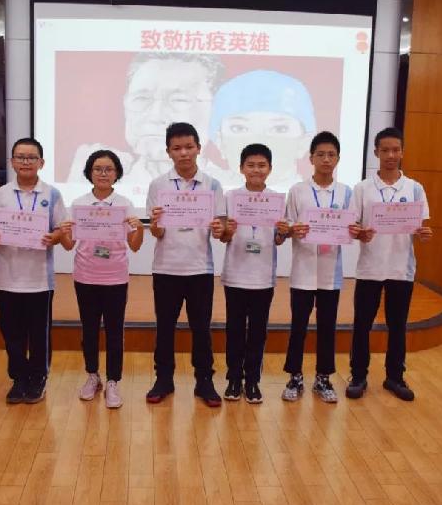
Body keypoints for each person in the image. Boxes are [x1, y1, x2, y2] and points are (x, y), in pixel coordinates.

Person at [67, 53, 225, 202]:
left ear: (215, 110)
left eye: (179, 100)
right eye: (141, 99)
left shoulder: (226, 186)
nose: (155, 116)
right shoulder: (96, 178)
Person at [347, 127, 432, 401]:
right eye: (385, 150)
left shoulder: (415, 188)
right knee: (362, 324)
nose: (391, 155)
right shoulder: (362, 188)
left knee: (398, 325)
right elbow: (351, 227)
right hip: (370, 268)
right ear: (376, 153)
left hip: (400, 268)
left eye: (396, 150)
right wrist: (360, 233)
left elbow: (420, 226)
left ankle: (395, 377)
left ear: (402, 152)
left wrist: (423, 233)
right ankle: (358, 376)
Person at [145, 122, 226, 407]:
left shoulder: (212, 185)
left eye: (189, 147)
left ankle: (204, 381)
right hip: (166, 267)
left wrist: (219, 229)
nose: (184, 153)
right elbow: (156, 232)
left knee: (201, 328)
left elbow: (221, 229)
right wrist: (156, 225)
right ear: (168, 151)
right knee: (165, 327)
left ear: (199, 148)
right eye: (177, 148)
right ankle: (163, 379)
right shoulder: (158, 185)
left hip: (199, 268)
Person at [0, 138, 70, 404]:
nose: (25, 162)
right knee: (11, 333)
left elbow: (61, 230)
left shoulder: (52, 194)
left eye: (31, 157)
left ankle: (38, 378)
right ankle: (19, 378)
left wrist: (53, 237)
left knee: (38, 334)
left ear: (41, 163)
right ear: (12, 162)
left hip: (39, 280)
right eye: (20, 157)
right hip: (8, 277)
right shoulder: (0, 195)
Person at [280, 131, 358, 403]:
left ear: (338, 159)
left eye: (331, 155)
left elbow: (352, 226)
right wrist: (293, 230)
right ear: (311, 158)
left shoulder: (346, 192)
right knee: (298, 327)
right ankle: (295, 377)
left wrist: (355, 230)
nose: (326, 159)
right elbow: (286, 225)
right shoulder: (297, 190)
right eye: (321, 154)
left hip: (330, 273)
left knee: (327, 327)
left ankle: (323, 379)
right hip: (302, 271)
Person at [65, 150, 143, 408]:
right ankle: (92, 376)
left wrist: (139, 229)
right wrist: (63, 232)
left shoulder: (124, 204)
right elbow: (69, 244)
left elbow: (135, 246)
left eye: (109, 169)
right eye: (97, 169)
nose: (103, 173)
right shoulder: (79, 204)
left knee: (114, 331)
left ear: (117, 173)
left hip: (115, 277)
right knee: (89, 330)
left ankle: (113, 381)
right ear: (89, 172)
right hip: (85, 276)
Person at [217, 143, 289, 404]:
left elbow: (278, 239)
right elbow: (223, 237)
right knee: (234, 330)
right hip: (235, 274)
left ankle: (252, 381)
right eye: (251, 165)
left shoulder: (277, 200)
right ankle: (234, 379)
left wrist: (283, 232)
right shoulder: (230, 197)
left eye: (261, 165)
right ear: (241, 168)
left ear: (269, 169)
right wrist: (228, 230)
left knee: (258, 332)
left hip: (263, 277)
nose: (256, 170)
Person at [209, 70, 316, 191]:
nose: (258, 141)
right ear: (220, 142)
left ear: (304, 142)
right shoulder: (210, 193)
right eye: (239, 128)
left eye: (279, 129)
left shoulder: (313, 197)